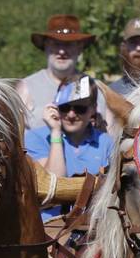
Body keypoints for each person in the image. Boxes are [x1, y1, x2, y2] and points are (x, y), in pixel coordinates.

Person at [24, 76, 113, 221]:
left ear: (93, 110)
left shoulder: (107, 143)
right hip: (48, 228)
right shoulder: (35, 138)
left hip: (91, 229)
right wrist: (55, 132)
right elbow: (52, 186)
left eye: (80, 108)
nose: (71, 115)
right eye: (65, 107)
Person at [18, 15, 107, 124]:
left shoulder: (93, 88)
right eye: (56, 44)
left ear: (80, 48)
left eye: (68, 44)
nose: (61, 51)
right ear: (45, 46)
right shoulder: (26, 88)